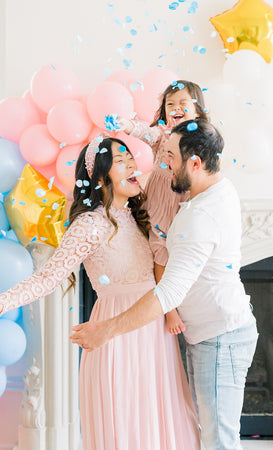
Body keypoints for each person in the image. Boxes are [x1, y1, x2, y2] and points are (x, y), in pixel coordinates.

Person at [0, 136, 201, 450]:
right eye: (122, 161)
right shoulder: (89, 225)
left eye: (131, 158)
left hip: (152, 331)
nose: (133, 164)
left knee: (160, 419)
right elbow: (47, 278)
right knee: (128, 424)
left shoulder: (138, 215)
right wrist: (5, 300)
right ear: (101, 177)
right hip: (115, 334)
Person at [70, 119, 259, 450]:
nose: (162, 164)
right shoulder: (218, 189)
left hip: (219, 338)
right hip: (212, 333)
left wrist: (106, 329)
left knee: (218, 441)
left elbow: (168, 292)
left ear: (195, 163)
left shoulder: (198, 217)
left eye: (169, 156)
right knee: (212, 434)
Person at [118, 80, 208, 335]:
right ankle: (169, 311)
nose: (175, 107)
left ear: (197, 111)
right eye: (170, 104)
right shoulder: (163, 134)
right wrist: (127, 126)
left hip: (184, 203)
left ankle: (183, 301)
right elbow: (145, 133)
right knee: (160, 252)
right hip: (159, 202)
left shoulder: (201, 139)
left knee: (182, 252)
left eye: (183, 103)